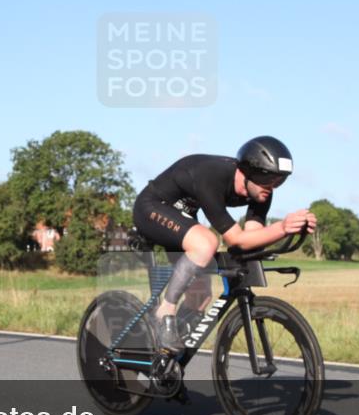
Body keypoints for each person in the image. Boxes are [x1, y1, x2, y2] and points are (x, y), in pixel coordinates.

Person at [132, 136, 317, 354]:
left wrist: (294, 229)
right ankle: (164, 313)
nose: (272, 187)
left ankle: (164, 363)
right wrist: (283, 227)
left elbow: (250, 239)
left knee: (200, 297)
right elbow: (235, 239)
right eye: (268, 179)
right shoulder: (212, 175)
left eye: (279, 181)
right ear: (247, 172)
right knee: (206, 242)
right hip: (152, 207)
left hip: (183, 215)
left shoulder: (262, 193)